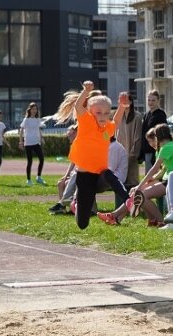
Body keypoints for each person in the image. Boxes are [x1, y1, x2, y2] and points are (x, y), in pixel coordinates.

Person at [54, 81, 128, 230]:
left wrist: (122, 106)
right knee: (83, 224)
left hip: (100, 176)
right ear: (90, 112)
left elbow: (117, 120)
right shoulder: (86, 122)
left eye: (106, 113)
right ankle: (76, 204)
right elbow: (77, 107)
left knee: (108, 173)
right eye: (98, 113)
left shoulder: (108, 128)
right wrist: (86, 91)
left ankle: (129, 200)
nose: (103, 117)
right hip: (84, 177)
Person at [98, 124, 173, 227]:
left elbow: (154, 169)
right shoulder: (170, 145)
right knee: (136, 192)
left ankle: (160, 221)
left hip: (171, 182)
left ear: (158, 136)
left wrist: (140, 185)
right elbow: (165, 169)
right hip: (169, 180)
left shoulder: (166, 148)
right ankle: (118, 217)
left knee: (139, 195)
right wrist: (149, 181)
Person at [116, 94, 143, 186]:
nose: (124, 102)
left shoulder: (137, 116)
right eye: (121, 100)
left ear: (131, 102)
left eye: (126, 100)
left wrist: (133, 153)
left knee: (132, 180)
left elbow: (138, 136)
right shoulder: (119, 116)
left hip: (131, 152)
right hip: (120, 152)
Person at [139, 89, 167, 173]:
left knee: (153, 176)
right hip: (147, 149)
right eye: (149, 100)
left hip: (156, 150)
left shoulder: (160, 115)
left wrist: (158, 149)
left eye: (153, 100)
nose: (150, 102)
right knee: (149, 174)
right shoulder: (147, 115)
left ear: (158, 100)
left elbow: (162, 134)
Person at [19, 102, 46, 186]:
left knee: (41, 159)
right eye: (33, 109)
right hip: (28, 143)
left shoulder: (38, 120)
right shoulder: (26, 120)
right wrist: (21, 142)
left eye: (36, 109)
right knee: (29, 161)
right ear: (29, 110)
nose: (34, 110)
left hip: (36, 142)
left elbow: (39, 130)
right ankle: (28, 179)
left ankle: (38, 177)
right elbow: (21, 131)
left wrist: (42, 138)